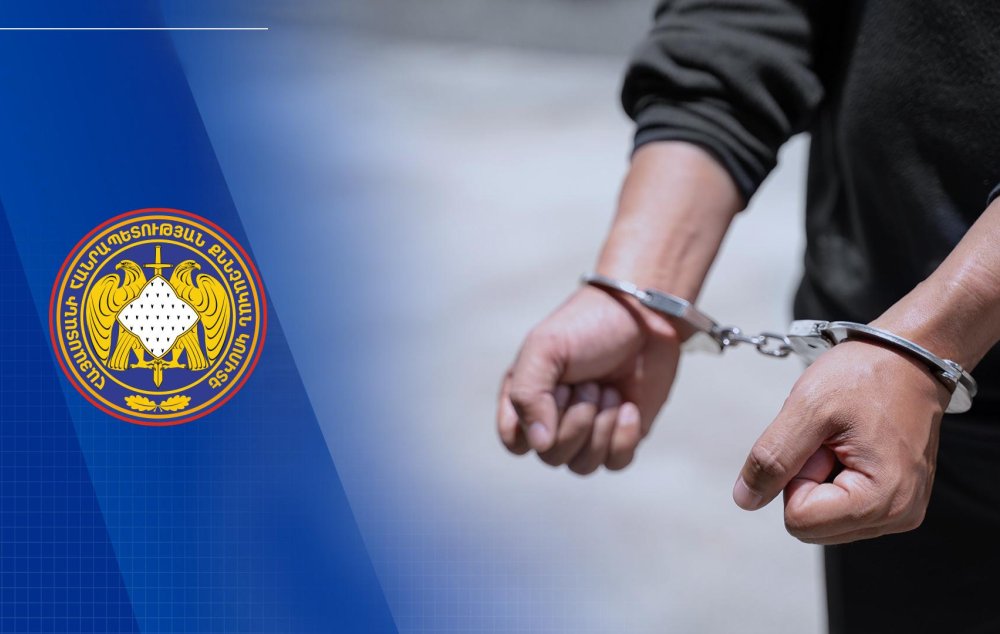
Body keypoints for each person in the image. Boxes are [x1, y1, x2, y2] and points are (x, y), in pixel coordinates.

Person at [496, 2, 1000, 632]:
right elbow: (744, 12)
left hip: (905, 374)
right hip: (889, 411)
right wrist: (643, 285)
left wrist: (932, 338)